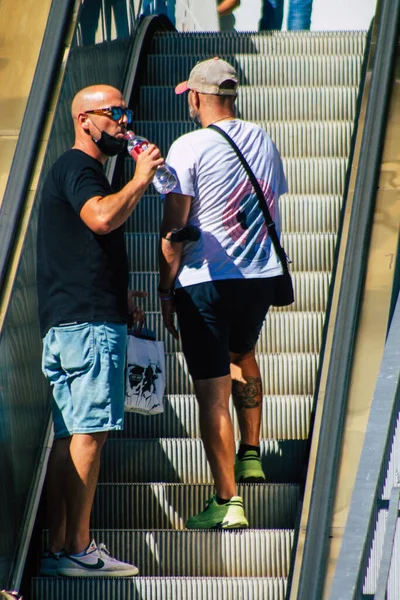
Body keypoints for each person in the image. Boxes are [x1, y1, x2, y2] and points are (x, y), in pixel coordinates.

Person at [37, 84, 163, 575]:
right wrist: (141, 177)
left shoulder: (75, 171)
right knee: (91, 432)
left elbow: (90, 238)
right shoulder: (80, 168)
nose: (124, 123)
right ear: (85, 119)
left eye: (126, 113)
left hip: (76, 318)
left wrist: (120, 293)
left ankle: (59, 549)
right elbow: (102, 218)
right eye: (114, 114)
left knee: (73, 434)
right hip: (87, 325)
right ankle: (80, 549)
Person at [158, 58, 288, 529]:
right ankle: (251, 453)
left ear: (195, 96)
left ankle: (227, 501)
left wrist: (166, 289)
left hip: (205, 280)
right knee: (244, 351)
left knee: (211, 393)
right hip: (259, 277)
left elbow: (175, 227)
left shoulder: (186, 145)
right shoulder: (264, 139)